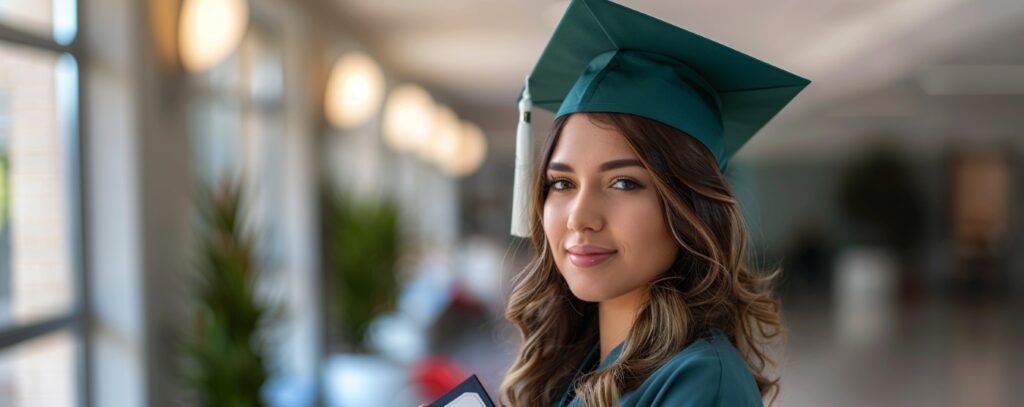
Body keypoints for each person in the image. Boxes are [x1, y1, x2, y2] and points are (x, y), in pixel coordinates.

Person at [499, 0, 810, 405]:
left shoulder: (700, 380)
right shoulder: (581, 360)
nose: (579, 217)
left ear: (690, 205)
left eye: (624, 182)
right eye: (562, 183)